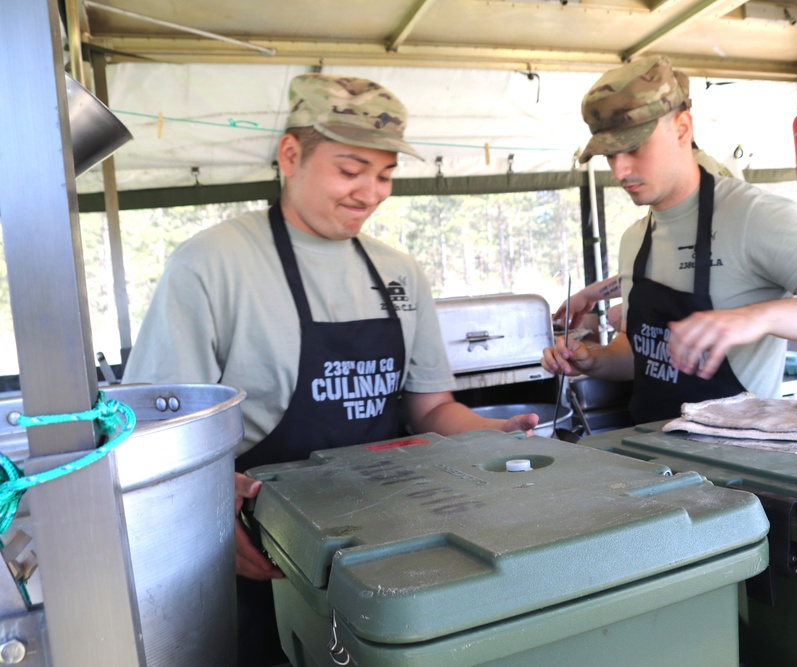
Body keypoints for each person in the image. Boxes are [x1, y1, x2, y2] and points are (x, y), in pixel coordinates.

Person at [122, 73, 539, 667]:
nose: (370, 192)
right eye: (350, 170)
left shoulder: (400, 272)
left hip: (388, 540)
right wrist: (211, 508)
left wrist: (492, 434)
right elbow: (155, 437)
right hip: (263, 547)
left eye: (386, 174)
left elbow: (430, 409)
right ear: (291, 155)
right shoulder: (213, 264)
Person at [541, 55, 797, 423]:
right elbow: (642, 355)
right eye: (610, 154)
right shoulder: (635, 239)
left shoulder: (751, 216)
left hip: (740, 470)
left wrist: (755, 318)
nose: (620, 169)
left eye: (634, 147)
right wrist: (592, 360)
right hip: (652, 463)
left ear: (682, 128)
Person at [554, 144, 735, 333]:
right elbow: (655, 272)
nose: (620, 172)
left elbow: (700, 277)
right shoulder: (689, 182)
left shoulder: (694, 184)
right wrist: (588, 295)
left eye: (636, 152)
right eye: (611, 158)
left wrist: (630, 311)